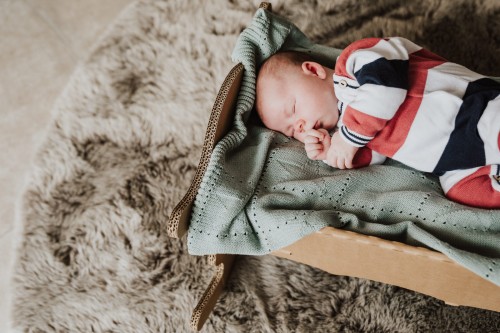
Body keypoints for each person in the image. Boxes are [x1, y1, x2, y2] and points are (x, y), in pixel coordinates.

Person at [255, 37, 500, 208]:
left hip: (473, 109)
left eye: (294, 109)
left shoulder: (352, 65)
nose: (300, 126)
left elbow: (386, 88)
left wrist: (348, 139)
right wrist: (334, 152)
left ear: (313, 70)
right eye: (291, 130)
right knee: (463, 192)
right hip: (454, 162)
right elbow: (377, 157)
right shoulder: (348, 130)